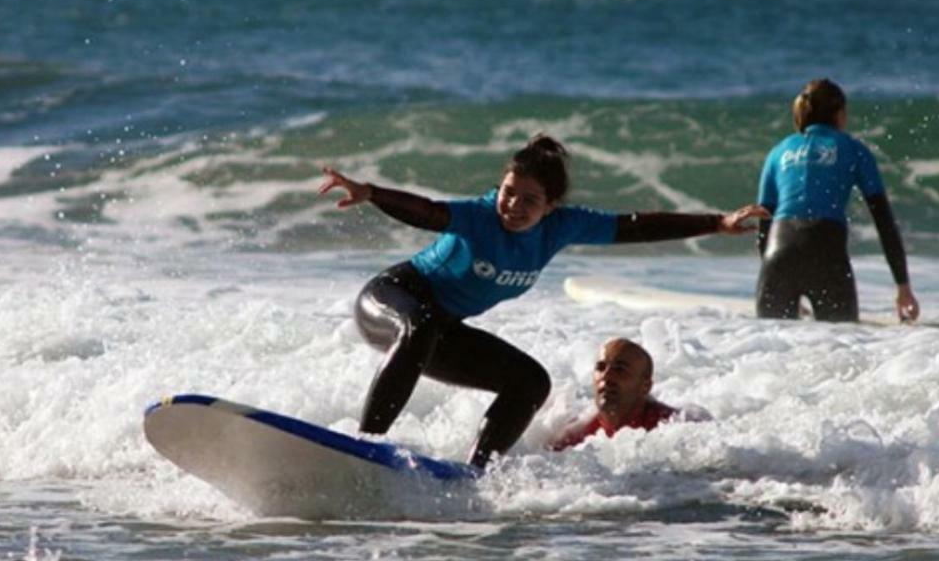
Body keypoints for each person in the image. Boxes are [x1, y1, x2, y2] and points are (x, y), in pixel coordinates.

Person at [319, 135, 766, 469]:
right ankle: (365, 447)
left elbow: (635, 226)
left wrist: (717, 223)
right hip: (393, 299)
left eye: (529, 200)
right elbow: (426, 210)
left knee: (530, 382)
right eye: (507, 192)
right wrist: (373, 194)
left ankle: (476, 475)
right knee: (421, 327)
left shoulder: (563, 227)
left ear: (551, 206)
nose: (512, 204)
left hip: (439, 328)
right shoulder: (478, 215)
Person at [755, 79, 918, 323]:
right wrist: (903, 288)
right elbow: (884, 222)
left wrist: (775, 273)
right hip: (826, 252)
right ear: (840, 114)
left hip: (778, 254)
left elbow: (763, 225)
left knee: (771, 350)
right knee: (842, 345)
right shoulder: (853, 149)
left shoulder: (778, 152)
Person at [550, 337, 708, 452]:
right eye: (600, 367)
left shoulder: (673, 428)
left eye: (620, 370)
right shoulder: (574, 434)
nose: (606, 376)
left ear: (645, 386)